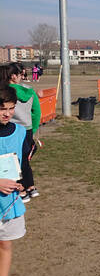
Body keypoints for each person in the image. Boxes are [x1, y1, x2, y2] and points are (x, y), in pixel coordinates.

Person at [0, 86, 31, 276]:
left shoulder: (19, 132)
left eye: (11, 108)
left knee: (5, 245)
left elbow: (22, 163)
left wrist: (24, 185)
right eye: (2, 109)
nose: (7, 113)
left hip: (9, 203)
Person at [0, 64, 40, 202]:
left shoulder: (7, 91)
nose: (7, 113)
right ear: (14, 76)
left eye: (12, 108)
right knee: (23, 161)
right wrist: (33, 128)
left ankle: (21, 188)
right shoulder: (29, 90)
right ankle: (30, 187)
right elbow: (37, 111)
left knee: (17, 161)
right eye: (21, 75)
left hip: (16, 130)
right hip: (27, 128)